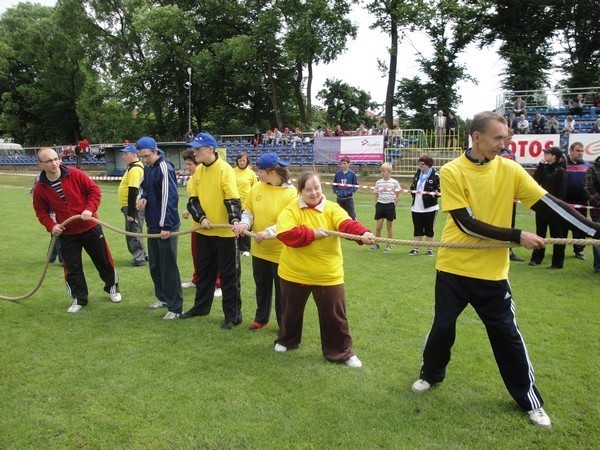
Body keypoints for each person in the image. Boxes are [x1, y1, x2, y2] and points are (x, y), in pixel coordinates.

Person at [411, 111, 600, 429]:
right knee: (443, 327)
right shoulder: (453, 171)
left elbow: (548, 204)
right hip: (453, 268)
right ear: (477, 138)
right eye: (499, 138)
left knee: (507, 336)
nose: (505, 143)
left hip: (493, 274)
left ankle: (530, 400)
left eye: (507, 137)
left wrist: (594, 232)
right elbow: (465, 223)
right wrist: (517, 236)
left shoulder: (510, 169)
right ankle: (430, 374)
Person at [273, 172, 375, 368]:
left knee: (335, 315)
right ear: (300, 191)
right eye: (308, 189)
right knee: (290, 311)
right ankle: (287, 340)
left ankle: (341, 352)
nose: (314, 193)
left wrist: (362, 233)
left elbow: (346, 224)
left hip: (328, 274)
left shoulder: (332, 208)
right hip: (293, 272)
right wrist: (312, 234)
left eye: (317, 188)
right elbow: (285, 234)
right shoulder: (291, 209)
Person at [32, 147, 121, 313]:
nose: (54, 163)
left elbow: (94, 191)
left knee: (103, 260)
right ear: (40, 164)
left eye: (56, 158)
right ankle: (79, 298)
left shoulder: (75, 174)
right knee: (72, 268)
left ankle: (112, 288)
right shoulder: (40, 188)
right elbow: (41, 212)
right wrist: (52, 227)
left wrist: (89, 209)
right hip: (66, 233)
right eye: (49, 161)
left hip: (90, 227)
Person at [180, 133, 243, 330]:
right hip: (204, 232)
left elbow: (232, 198)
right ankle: (201, 308)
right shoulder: (198, 172)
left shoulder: (225, 170)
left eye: (198, 149)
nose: (195, 153)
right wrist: (202, 218)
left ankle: (232, 316)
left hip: (225, 234)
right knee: (204, 273)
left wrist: (234, 220)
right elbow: (193, 201)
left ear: (210, 150)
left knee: (229, 276)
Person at [232, 153, 297, 330]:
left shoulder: (291, 194)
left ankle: (284, 323)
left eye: (260, 171)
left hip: (281, 251)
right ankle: (261, 318)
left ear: (272, 172)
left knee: (282, 291)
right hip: (260, 250)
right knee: (262, 286)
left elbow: (288, 221)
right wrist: (244, 223)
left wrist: (267, 232)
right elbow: (249, 211)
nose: (257, 173)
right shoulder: (257, 188)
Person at [136, 137, 184, 320]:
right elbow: (143, 187)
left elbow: (169, 199)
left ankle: (175, 307)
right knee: (155, 264)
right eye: (141, 157)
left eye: (147, 156)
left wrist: (166, 226)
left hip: (166, 226)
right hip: (153, 225)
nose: (144, 159)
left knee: (168, 266)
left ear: (155, 151)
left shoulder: (165, 168)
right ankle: (162, 298)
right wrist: (143, 197)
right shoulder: (148, 168)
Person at [529, 147, 567, 269]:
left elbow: (562, 191)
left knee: (557, 234)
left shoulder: (561, 171)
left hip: (555, 207)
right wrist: (540, 165)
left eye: (547, 153)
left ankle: (557, 262)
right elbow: (535, 181)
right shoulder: (544, 168)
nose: (544, 154)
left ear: (554, 156)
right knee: (540, 232)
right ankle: (536, 258)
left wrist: (558, 207)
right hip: (542, 205)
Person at [117, 144, 147, 267]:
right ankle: (142, 255)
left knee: (133, 231)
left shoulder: (135, 169)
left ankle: (139, 258)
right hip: (131, 205)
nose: (124, 157)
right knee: (134, 230)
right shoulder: (133, 167)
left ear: (134, 155)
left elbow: (133, 190)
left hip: (133, 206)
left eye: (126, 154)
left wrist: (131, 211)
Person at [498, 131, 525, 262]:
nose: (510, 141)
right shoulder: (496, 153)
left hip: (511, 194)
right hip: (499, 194)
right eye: (509, 138)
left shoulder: (511, 153)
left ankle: (509, 250)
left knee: (510, 223)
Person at [408, 155, 440, 256]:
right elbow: (413, 185)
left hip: (430, 207)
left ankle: (429, 249)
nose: (420, 165)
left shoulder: (436, 175)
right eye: (420, 163)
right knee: (417, 228)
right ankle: (415, 248)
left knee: (429, 228)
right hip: (416, 206)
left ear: (428, 164)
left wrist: (435, 194)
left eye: (423, 163)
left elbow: (440, 188)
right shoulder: (417, 174)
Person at [565, 142, 591, 260]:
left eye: (582, 151)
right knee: (562, 226)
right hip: (565, 201)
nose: (580, 153)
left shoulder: (587, 165)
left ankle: (579, 250)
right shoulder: (563, 164)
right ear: (571, 151)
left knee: (580, 227)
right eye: (578, 150)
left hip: (581, 202)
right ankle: (560, 250)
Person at [30, 174, 62, 265]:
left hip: (59, 211)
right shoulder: (39, 178)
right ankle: (62, 259)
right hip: (50, 212)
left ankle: (50, 257)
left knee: (56, 235)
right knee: (58, 234)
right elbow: (34, 193)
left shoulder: (59, 176)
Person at [370, 162, 401, 253]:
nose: (382, 173)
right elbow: (375, 194)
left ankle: (389, 245)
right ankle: (377, 243)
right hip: (380, 205)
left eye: (384, 171)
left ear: (389, 172)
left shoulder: (394, 182)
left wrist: (394, 203)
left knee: (389, 226)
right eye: (381, 171)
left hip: (390, 205)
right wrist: (376, 203)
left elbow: (398, 195)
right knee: (378, 226)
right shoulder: (378, 182)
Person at [234, 152, 257, 256]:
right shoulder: (232, 172)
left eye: (244, 160)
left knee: (246, 227)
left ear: (247, 161)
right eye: (240, 160)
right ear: (237, 161)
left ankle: (246, 249)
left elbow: (256, 188)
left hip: (247, 204)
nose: (242, 162)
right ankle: (236, 247)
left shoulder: (251, 173)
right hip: (235, 204)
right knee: (235, 225)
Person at [584, 155, 600, 273]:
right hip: (597, 210)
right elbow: (589, 190)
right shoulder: (592, 169)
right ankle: (598, 267)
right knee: (598, 237)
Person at [332, 156, 359, 220]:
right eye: (341, 163)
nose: (343, 165)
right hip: (340, 198)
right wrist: (336, 192)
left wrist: (350, 192)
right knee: (340, 215)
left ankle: (355, 228)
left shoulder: (352, 174)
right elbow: (334, 184)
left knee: (351, 215)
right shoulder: (338, 174)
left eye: (344, 163)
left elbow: (356, 185)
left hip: (348, 199)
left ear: (348, 164)